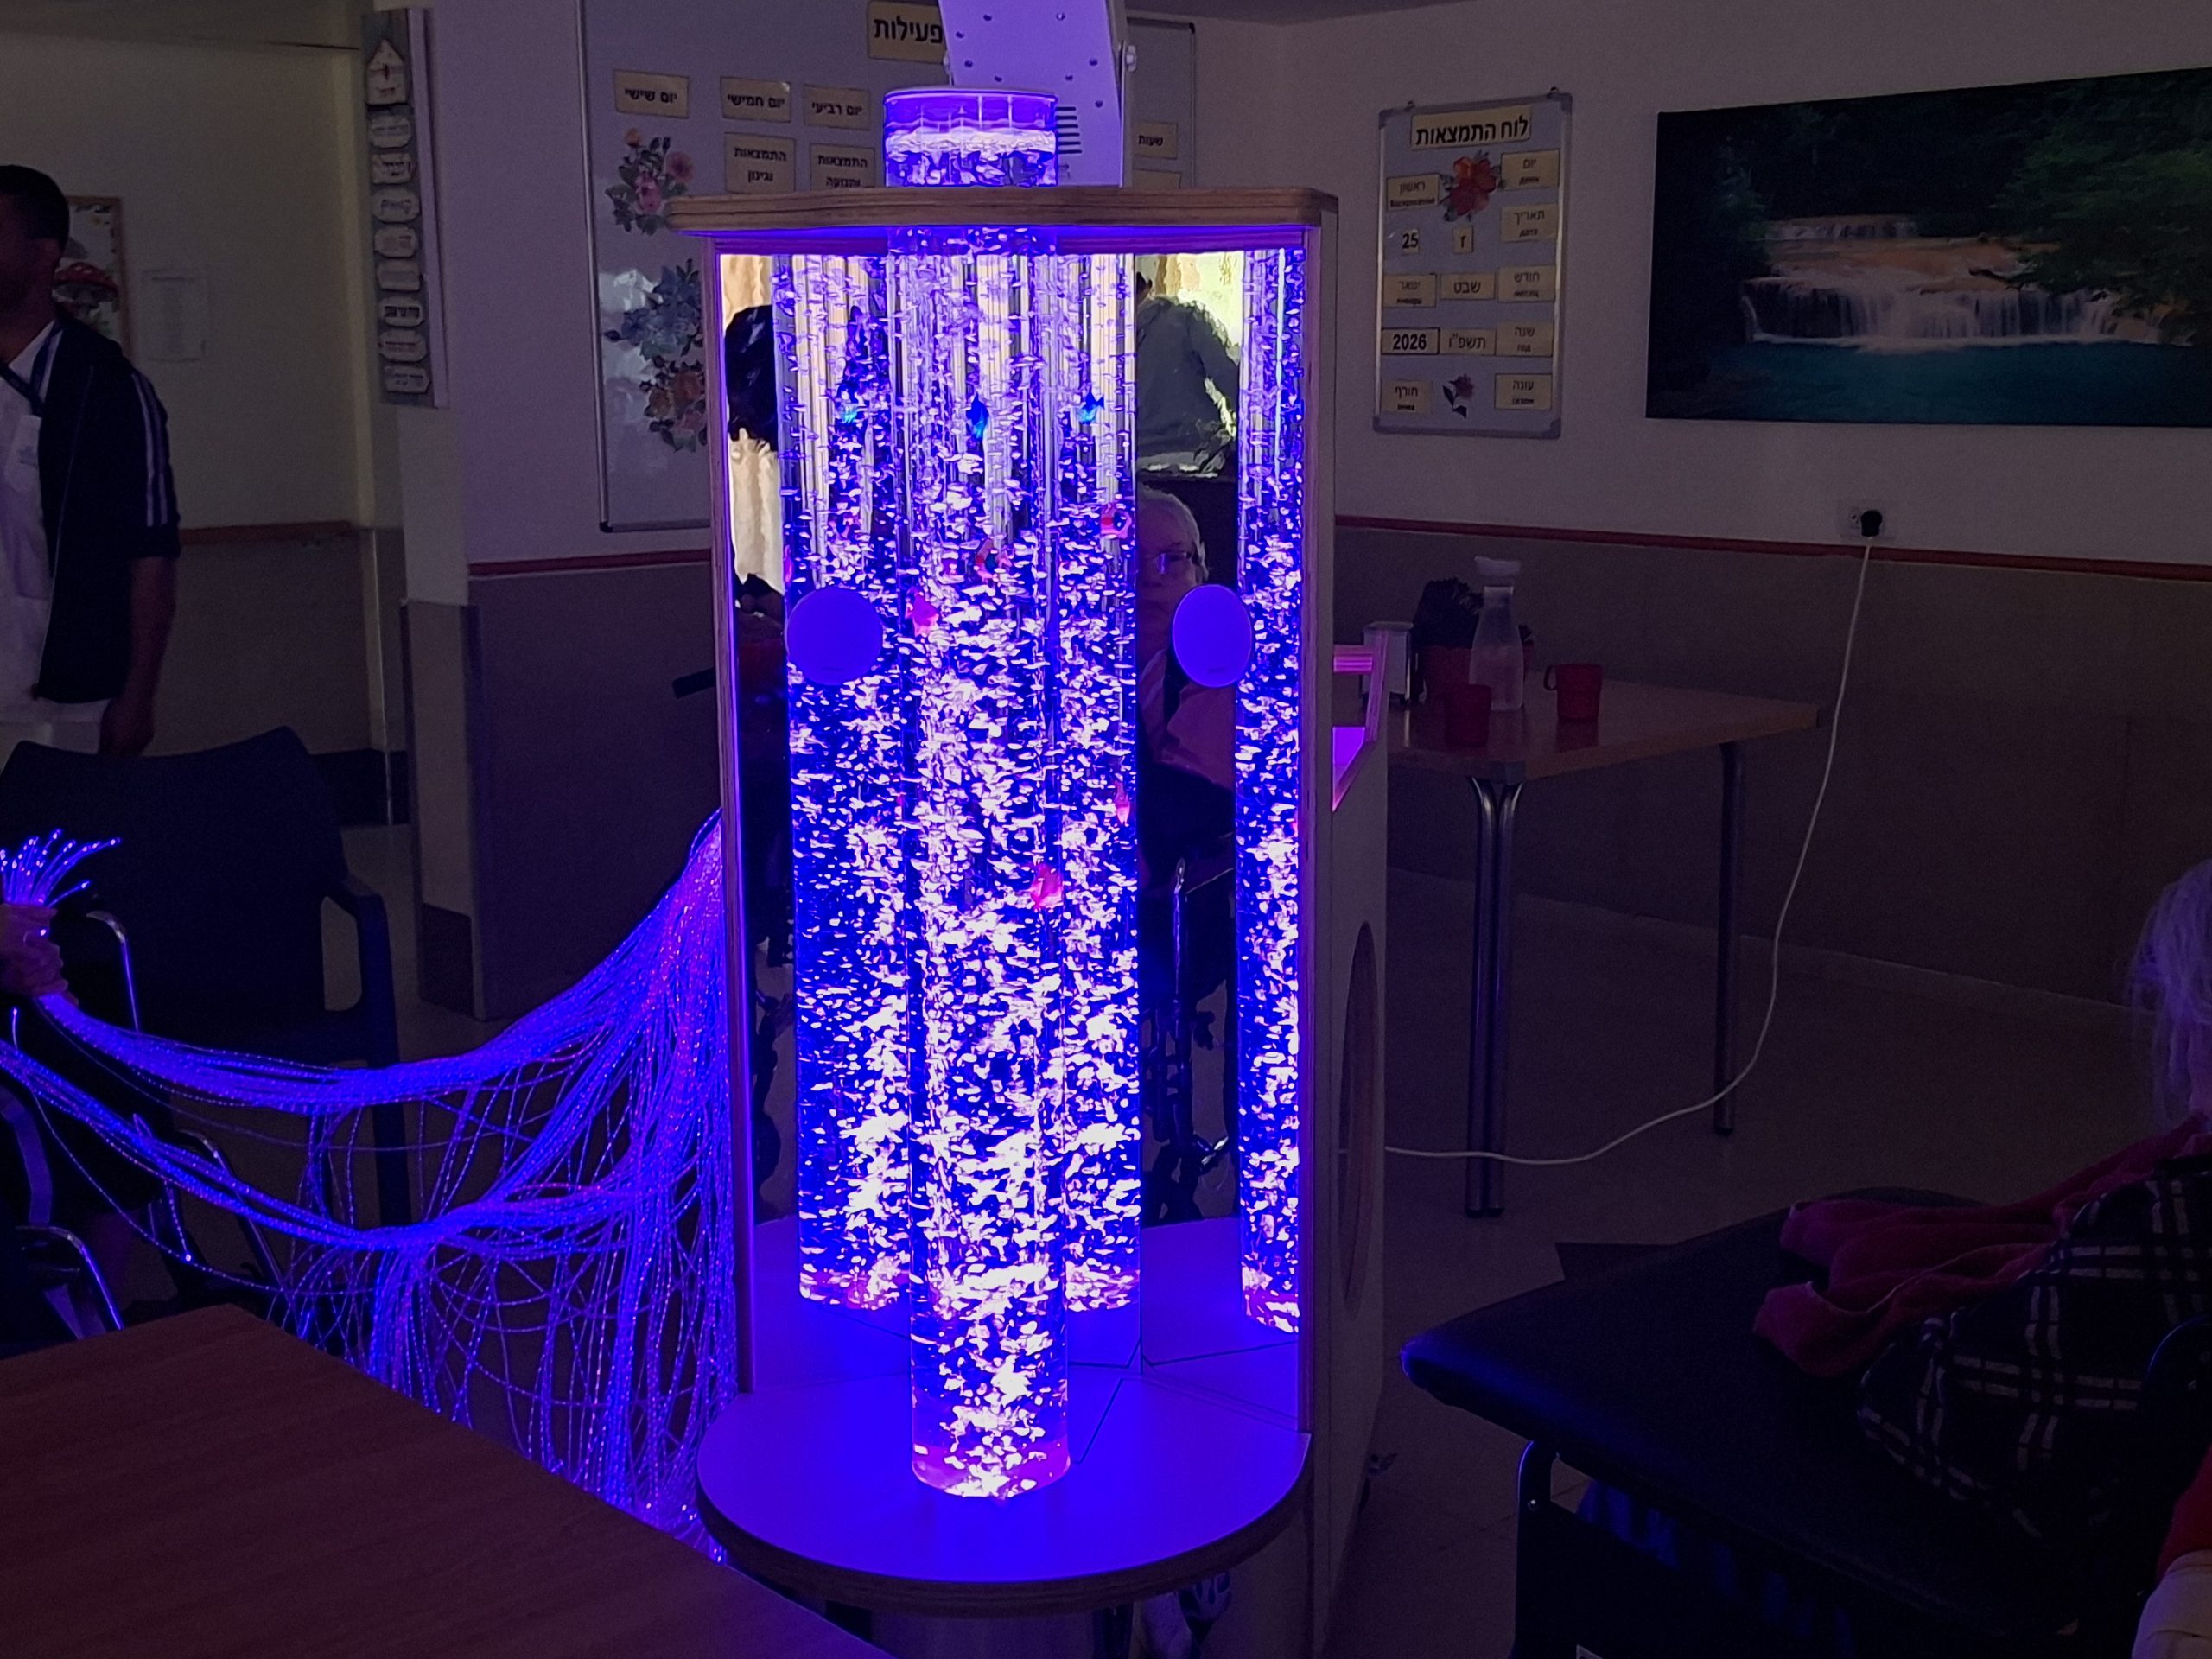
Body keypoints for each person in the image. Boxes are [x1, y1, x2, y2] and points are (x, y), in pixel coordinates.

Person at [0, 165, 179, 764]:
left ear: (45, 252)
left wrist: (138, 694)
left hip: (64, 696)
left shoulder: (106, 386)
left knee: (55, 827)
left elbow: (151, 551)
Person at [1135, 262, 1238, 471]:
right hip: (1201, 455)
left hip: (1137, 464)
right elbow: (1231, 380)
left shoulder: (1105, 341)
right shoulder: (1186, 319)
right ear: (1149, 286)